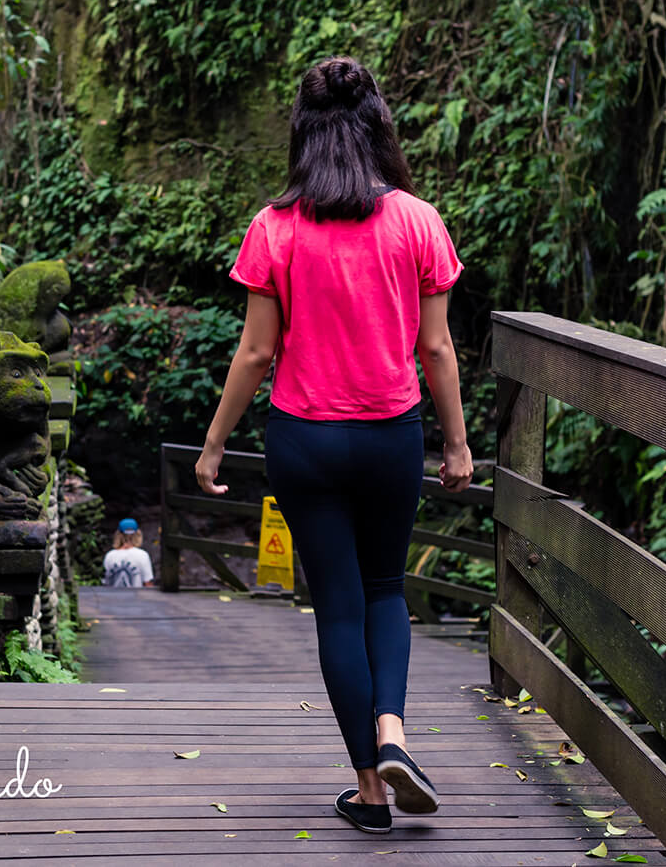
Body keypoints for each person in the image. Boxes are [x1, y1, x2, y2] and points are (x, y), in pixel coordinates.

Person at [195, 56, 472, 835]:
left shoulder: (273, 227)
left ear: (302, 133)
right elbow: (439, 351)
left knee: (338, 612)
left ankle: (370, 792)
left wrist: (215, 445)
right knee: (388, 589)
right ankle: (395, 736)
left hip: (305, 440)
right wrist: (456, 446)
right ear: (379, 124)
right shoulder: (418, 221)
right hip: (391, 437)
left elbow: (255, 354)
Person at [102, 517, 155, 588]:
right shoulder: (143, 555)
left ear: (118, 535)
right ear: (138, 535)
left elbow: (106, 583)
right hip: (136, 598)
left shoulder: (110, 555)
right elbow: (148, 584)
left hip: (113, 598)